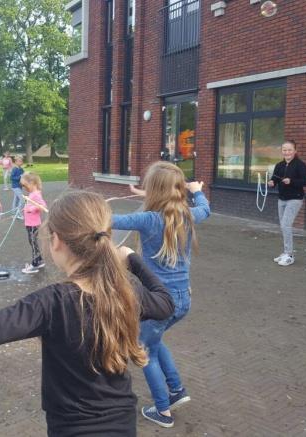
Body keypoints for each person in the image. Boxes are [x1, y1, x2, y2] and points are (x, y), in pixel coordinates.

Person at [0, 191, 175, 436]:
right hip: (123, 425)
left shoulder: (53, 302)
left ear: (56, 241)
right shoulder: (126, 292)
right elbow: (165, 302)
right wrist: (133, 261)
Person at [112, 161, 210, 428]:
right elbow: (206, 208)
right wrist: (196, 190)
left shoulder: (148, 219)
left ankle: (163, 410)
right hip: (182, 300)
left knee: (144, 350)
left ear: (153, 191)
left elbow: (110, 221)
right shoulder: (189, 214)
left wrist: (77, 213)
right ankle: (177, 390)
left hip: (157, 302)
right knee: (154, 341)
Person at [268, 140, 306, 267]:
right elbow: (275, 178)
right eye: (284, 150)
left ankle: (289, 255)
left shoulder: (300, 165)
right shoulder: (279, 165)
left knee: (286, 224)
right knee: (283, 225)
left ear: (295, 151)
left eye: (290, 150)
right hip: (282, 199)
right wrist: (272, 183)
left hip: (295, 199)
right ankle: (285, 252)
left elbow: (304, 182)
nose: (287, 152)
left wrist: (291, 181)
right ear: (282, 151)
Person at [20, 172, 46, 274]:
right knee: (32, 242)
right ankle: (39, 260)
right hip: (30, 223)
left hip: (33, 224)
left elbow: (43, 206)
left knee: (33, 242)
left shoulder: (36, 194)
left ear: (32, 183)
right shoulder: (32, 194)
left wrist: (31, 208)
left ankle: (35, 264)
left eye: (25, 185)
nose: (24, 188)